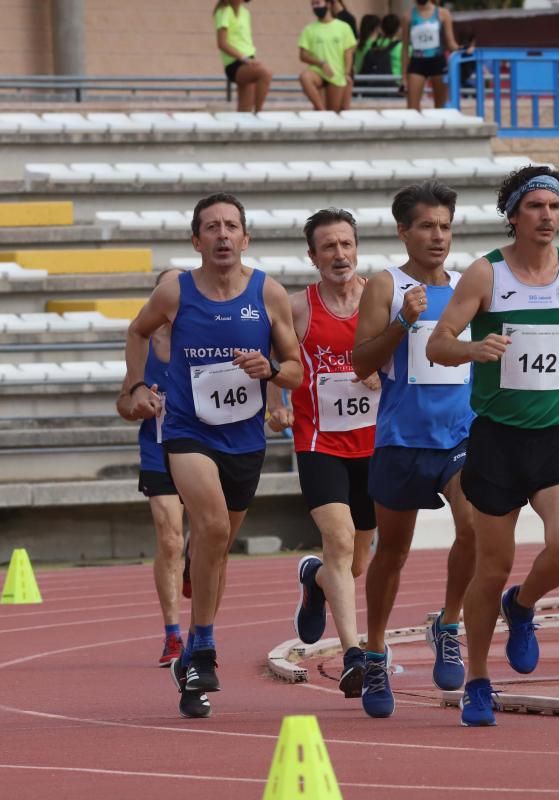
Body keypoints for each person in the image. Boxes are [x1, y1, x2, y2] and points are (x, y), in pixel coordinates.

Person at [427, 165, 559, 727]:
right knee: (491, 567)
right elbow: (438, 344)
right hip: (497, 441)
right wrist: (472, 350)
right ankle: (479, 681)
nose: (547, 217)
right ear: (513, 215)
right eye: (535, 207)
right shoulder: (486, 275)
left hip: (554, 436)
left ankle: (523, 604)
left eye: (554, 207)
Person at [122, 192, 303, 719]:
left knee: (216, 551)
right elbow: (136, 331)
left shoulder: (267, 292)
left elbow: (294, 368)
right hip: (187, 432)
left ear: (245, 238)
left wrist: (269, 371)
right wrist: (135, 384)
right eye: (211, 227)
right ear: (195, 240)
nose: (222, 235)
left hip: (244, 441)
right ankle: (201, 646)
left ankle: (193, 663)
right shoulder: (175, 291)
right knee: (214, 528)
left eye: (231, 226)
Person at [351, 180, 476, 719]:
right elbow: (360, 364)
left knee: (475, 525)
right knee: (393, 553)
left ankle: (448, 622)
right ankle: (376, 648)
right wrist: (403, 320)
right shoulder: (385, 285)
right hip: (402, 439)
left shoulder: (471, 285)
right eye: (426, 226)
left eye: (445, 226)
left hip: (462, 435)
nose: (438, 236)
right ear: (403, 230)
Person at [265, 208, 379, 701]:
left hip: (377, 443)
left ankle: (313, 580)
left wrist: (383, 370)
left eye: (346, 244)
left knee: (356, 561)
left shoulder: (382, 297)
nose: (339, 254)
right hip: (320, 441)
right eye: (328, 247)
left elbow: (411, 350)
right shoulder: (297, 308)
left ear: (357, 248)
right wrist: (275, 401)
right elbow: (279, 363)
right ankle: (355, 654)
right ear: (312, 256)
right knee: (339, 540)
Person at [117, 268, 187, 669]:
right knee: (170, 538)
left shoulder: (201, 338)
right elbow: (123, 403)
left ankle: (197, 561)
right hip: (157, 450)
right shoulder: (141, 346)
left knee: (212, 535)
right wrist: (136, 406)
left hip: (204, 450)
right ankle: (173, 634)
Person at [213, 0, 273, 113]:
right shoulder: (224, 11)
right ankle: (259, 113)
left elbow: (245, 41)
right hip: (234, 63)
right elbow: (222, 43)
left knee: (244, 110)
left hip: (248, 61)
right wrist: (244, 59)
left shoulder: (245, 13)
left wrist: (251, 59)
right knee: (265, 73)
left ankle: (245, 125)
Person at [298, 0, 358, 112]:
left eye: (318, 3)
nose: (315, 7)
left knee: (335, 110)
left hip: (336, 74)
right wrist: (321, 63)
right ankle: (321, 110)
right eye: (313, 4)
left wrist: (346, 73)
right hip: (318, 71)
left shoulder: (343, 27)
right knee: (305, 77)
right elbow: (303, 55)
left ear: (329, 4)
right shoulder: (309, 29)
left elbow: (348, 53)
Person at [402, 0, 459, 110]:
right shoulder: (407, 16)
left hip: (437, 61)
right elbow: (404, 48)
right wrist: (403, 76)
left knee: (441, 107)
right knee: (412, 109)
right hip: (417, 62)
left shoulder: (443, 13)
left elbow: (450, 42)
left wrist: (463, 49)